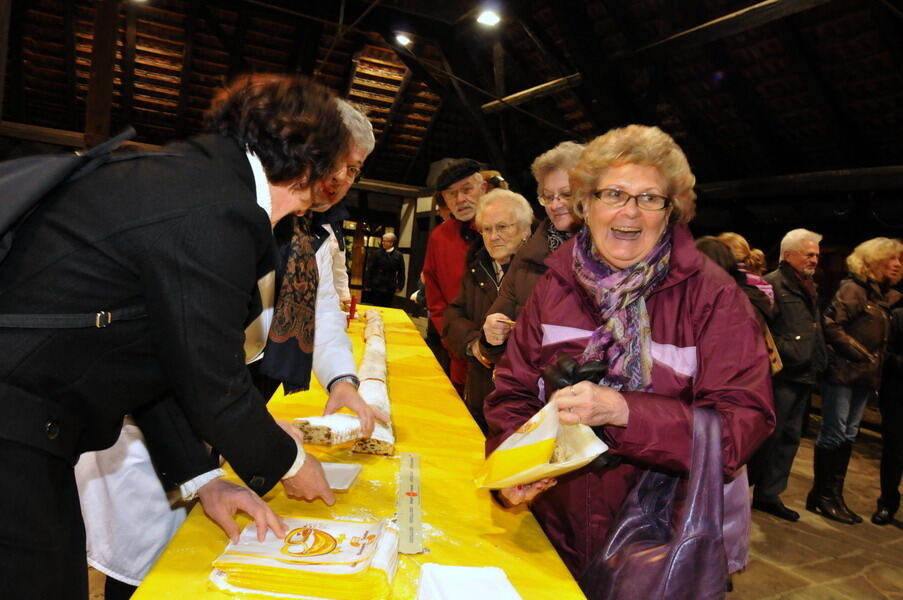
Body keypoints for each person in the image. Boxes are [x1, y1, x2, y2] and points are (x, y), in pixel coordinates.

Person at [0, 74, 344, 599]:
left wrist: (204, 479)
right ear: (305, 166)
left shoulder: (193, 177)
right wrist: (291, 462)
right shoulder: (217, 209)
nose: (302, 209)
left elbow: (162, 361)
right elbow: (214, 380)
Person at [484, 125, 774, 592]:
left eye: (650, 198)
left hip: (658, 542)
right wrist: (510, 468)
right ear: (585, 205)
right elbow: (513, 392)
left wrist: (625, 413)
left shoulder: (713, 297)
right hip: (551, 528)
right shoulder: (553, 288)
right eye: (613, 193)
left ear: (670, 212)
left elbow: (743, 423)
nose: (630, 212)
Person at [809, 237, 903, 524]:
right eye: (893, 259)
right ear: (874, 259)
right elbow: (830, 324)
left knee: (847, 435)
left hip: (861, 376)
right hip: (844, 373)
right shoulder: (854, 288)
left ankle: (831, 495)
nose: (898, 264)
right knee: (835, 433)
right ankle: (823, 496)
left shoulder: (877, 294)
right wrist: (862, 354)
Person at [747, 229, 827, 522]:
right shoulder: (773, 285)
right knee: (770, 435)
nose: (815, 259)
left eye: (816, 254)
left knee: (791, 436)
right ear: (789, 254)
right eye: (809, 253)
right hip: (781, 375)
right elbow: (758, 330)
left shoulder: (807, 285)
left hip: (804, 373)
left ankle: (770, 494)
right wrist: (788, 351)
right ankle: (743, 489)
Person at [481, 141, 584, 360]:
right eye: (548, 196)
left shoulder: (611, 256)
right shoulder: (527, 256)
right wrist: (490, 335)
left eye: (566, 194)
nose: (555, 205)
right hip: (525, 383)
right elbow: (498, 319)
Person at [443, 189, 533, 433]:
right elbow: (452, 315)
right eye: (487, 229)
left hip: (521, 408)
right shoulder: (478, 267)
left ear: (526, 230)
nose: (493, 237)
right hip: (479, 398)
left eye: (502, 227)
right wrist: (474, 343)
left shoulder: (541, 275)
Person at [422, 159, 488, 394]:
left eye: (467, 189)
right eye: (452, 194)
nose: (460, 199)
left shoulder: (509, 227)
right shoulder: (439, 238)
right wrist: (455, 342)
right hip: (461, 356)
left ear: (483, 188)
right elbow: (436, 300)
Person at [873, 306, 903, 525]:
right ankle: (887, 503)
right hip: (897, 394)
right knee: (894, 450)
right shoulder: (899, 315)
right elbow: (885, 353)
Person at [363, 232, 406, 307]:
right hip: (376, 285)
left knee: (387, 306)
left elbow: (401, 272)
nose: (383, 243)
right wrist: (367, 284)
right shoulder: (377, 253)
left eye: (385, 241)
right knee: (376, 306)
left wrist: (400, 286)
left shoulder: (398, 255)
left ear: (391, 243)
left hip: (390, 286)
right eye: (383, 241)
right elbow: (370, 269)